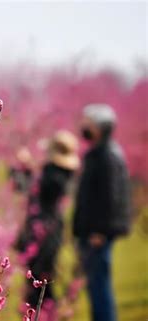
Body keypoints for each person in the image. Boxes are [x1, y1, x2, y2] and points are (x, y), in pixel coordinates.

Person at [73, 103, 132, 321]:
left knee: (99, 286)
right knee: (95, 285)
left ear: (99, 128)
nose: (83, 127)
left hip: (97, 235)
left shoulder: (107, 156)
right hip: (91, 232)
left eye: (87, 123)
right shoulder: (99, 154)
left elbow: (111, 198)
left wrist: (99, 231)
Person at [16, 130, 80, 316]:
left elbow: (35, 188)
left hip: (45, 232)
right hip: (46, 230)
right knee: (39, 277)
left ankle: (42, 313)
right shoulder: (58, 172)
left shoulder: (56, 174)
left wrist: (27, 168)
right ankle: (40, 313)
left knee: (41, 277)